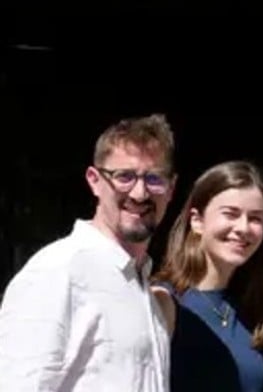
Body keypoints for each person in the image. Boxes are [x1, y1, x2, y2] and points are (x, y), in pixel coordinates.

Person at [0, 114, 177, 391]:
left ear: (171, 189)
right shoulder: (58, 271)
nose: (140, 193)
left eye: (154, 179)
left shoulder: (142, 289)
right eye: (124, 177)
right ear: (94, 181)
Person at [152, 160, 263, 392]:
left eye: (255, 218)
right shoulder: (164, 301)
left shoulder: (254, 314)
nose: (243, 227)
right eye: (231, 214)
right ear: (197, 221)